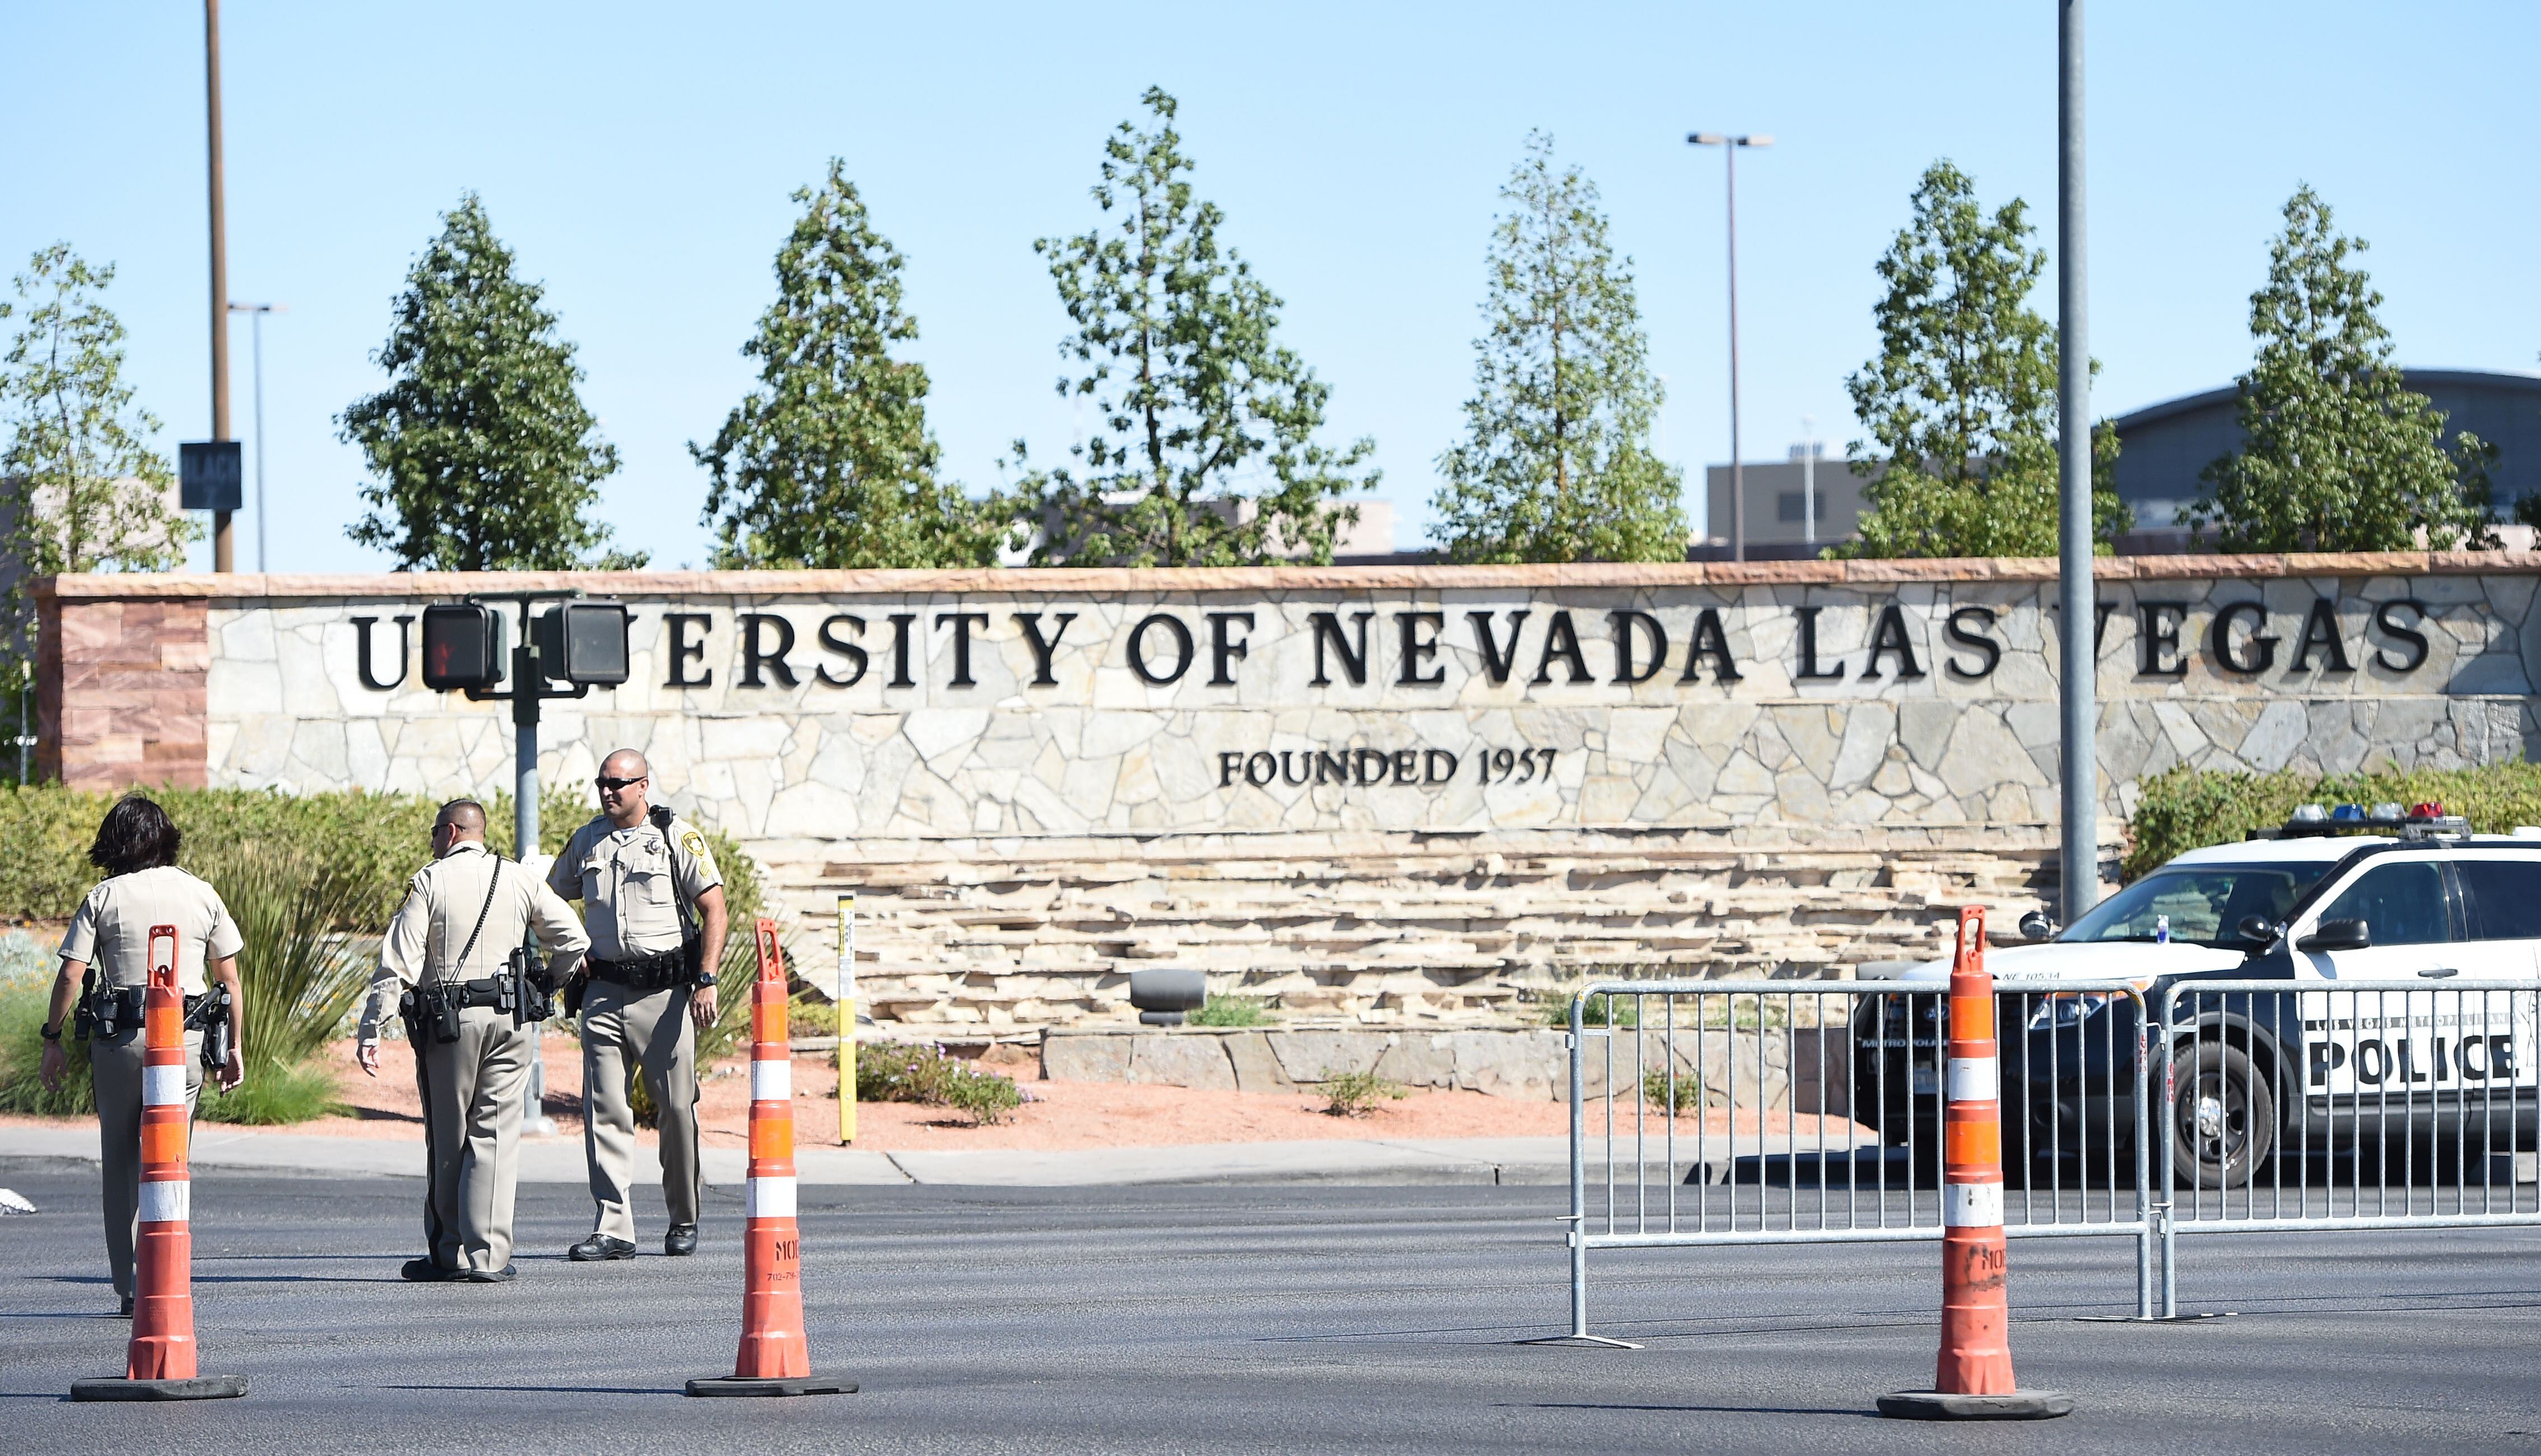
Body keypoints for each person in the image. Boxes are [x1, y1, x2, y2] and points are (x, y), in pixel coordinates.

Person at [356, 799, 588, 1283]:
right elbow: (573, 938)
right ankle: (489, 1258)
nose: (432, 842)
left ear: (455, 832)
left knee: (449, 1137)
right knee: (498, 1137)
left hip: (450, 1025)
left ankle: (447, 1253)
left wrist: (372, 1025)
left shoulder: (431, 880)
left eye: (436, 832)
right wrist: (548, 984)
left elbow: (398, 960)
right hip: (512, 1018)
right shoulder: (518, 877)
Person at [37, 794, 245, 1317]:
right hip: (186, 1038)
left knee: (122, 1162)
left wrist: (53, 1038)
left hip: (122, 1042)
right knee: (171, 1157)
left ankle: (130, 1286)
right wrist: (235, 1047)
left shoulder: (104, 896)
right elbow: (230, 980)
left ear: (115, 842)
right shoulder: (202, 894)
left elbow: (70, 975)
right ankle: (166, 1274)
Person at [550, 749, 728, 1261]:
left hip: (664, 995)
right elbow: (549, 898)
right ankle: (614, 1227)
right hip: (603, 993)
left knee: (675, 1108)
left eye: (619, 784)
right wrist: (571, 947)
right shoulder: (586, 840)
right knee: (604, 1109)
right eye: (602, 783)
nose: (609, 792)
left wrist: (707, 979)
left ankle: (684, 1217)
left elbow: (713, 905)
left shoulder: (675, 836)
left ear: (644, 785)